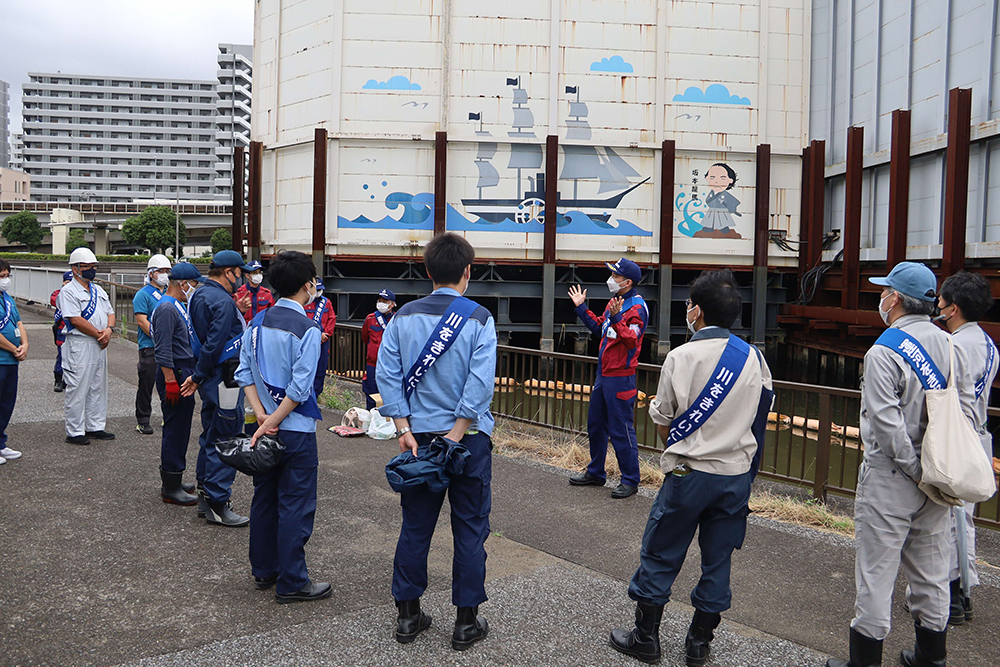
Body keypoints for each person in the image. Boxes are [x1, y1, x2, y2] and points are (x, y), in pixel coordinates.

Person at [609, 269, 772, 666]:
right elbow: (760, 418)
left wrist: (682, 449)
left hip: (687, 473)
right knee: (718, 559)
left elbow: (663, 418)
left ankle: (645, 638)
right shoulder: (754, 358)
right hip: (734, 476)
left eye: (687, 305)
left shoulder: (681, 357)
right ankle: (699, 644)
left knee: (662, 551)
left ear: (696, 311)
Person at [827, 262, 976, 667]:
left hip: (893, 477)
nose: (882, 298)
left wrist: (914, 469)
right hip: (941, 475)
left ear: (894, 299)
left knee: (876, 573)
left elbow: (885, 424)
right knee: (931, 570)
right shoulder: (951, 344)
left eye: (884, 291)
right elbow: (967, 412)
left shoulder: (883, 350)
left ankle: (865, 662)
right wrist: (936, 472)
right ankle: (931, 658)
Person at [377, 232, 497, 650]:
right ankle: (466, 624)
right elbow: (481, 384)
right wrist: (457, 434)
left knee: (416, 526)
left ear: (427, 271)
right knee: (469, 529)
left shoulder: (402, 317)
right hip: (468, 441)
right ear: (468, 271)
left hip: (419, 442)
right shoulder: (479, 317)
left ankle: (408, 618)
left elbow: (386, 376)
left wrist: (403, 429)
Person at [237, 251, 331, 604]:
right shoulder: (308, 328)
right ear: (308, 285)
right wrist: (275, 420)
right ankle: (292, 580)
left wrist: (261, 416)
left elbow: (243, 372)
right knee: (295, 504)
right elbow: (300, 388)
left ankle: (263, 570)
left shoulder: (257, 321)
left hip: (261, 426)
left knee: (264, 498)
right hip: (295, 431)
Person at [936, 271, 997, 625]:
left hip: (957, 439)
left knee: (948, 520)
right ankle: (964, 592)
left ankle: (951, 597)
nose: (938, 307)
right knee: (965, 521)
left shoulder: (954, 345)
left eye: (942, 302)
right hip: (979, 436)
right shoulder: (987, 343)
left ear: (953, 308)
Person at [567, 257, 648, 499]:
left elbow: (632, 339)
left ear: (627, 282)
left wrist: (615, 318)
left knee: (621, 429)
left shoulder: (637, 308)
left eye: (615, 276)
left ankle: (631, 479)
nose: (611, 279)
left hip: (621, 377)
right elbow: (600, 327)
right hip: (603, 374)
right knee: (596, 425)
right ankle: (596, 472)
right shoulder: (616, 302)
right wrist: (582, 307)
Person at [184, 250, 251, 528]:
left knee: (210, 433)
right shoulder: (222, 301)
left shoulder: (200, 294)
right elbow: (214, 344)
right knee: (226, 437)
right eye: (240, 272)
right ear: (228, 273)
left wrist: (199, 375)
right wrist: (198, 376)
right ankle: (217, 501)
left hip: (211, 378)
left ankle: (204, 494)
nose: (243, 278)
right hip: (225, 378)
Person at [150, 262, 205, 506]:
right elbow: (162, 349)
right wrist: (171, 381)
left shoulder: (177, 305)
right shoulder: (166, 308)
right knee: (175, 428)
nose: (194, 288)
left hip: (184, 370)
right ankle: (170, 485)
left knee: (181, 428)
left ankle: (175, 477)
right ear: (182, 284)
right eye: (193, 284)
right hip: (175, 373)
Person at [57, 247, 116, 446]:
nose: (91, 269)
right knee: (78, 386)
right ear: (75, 268)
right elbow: (75, 319)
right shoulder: (68, 291)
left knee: (98, 386)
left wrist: (108, 330)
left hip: (100, 342)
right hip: (80, 344)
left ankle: (95, 426)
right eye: (87, 266)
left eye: (93, 266)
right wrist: (100, 334)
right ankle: (75, 430)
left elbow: (110, 312)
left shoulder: (98, 289)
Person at [132, 254, 172, 435]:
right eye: (161, 271)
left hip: (169, 347)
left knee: (168, 383)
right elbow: (142, 321)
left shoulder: (168, 293)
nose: (165, 275)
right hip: (149, 346)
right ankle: (143, 420)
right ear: (152, 273)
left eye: (167, 271)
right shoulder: (143, 294)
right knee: (146, 385)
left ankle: (169, 417)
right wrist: (159, 337)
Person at [0, 260, 27, 466]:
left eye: (7, 275)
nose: (5, 280)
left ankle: (1, 443)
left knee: (6, 403)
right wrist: (13, 347)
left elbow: (18, 323)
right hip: (3, 357)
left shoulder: (8, 299)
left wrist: (24, 344)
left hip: (11, 361)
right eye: (1, 276)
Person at [302, 277, 336, 399]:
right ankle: (306, 397)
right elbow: (302, 321)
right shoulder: (305, 302)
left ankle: (315, 397)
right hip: (307, 341)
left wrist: (326, 334)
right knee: (306, 369)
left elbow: (332, 319)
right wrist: (316, 335)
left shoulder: (326, 303)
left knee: (320, 371)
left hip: (323, 342)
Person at [362, 288, 395, 410]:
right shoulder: (370, 319)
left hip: (391, 364)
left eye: (385, 301)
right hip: (373, 364)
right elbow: (365, 338)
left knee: (390, 393)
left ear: (392, 304)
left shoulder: (397, 320)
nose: (381, 303)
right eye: (379, 300)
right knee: (371, 392)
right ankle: (371, 418)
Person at [51, 271, 72, 393]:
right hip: (61, 330)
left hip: (74, 329)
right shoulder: (58, 293)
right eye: (67, 282)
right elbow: (54, 300)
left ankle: (68, 379)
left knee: (74, 355)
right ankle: (58, 378)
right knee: (61, 354)